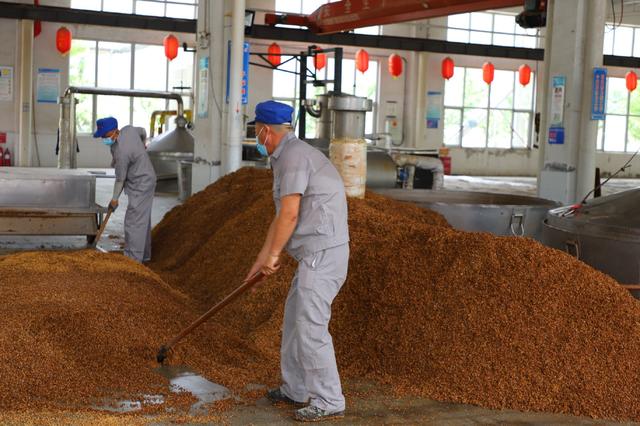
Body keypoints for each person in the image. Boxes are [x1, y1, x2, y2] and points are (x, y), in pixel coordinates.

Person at [245, 101, 350, 422]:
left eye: (256, 131)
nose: (256, 137)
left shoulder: (293, 158)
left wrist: (274, 256)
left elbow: (290, 214)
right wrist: (262, 259)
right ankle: (296, 388)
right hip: (314, 254)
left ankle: (329, 399)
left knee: (310, 326)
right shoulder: (287, 156)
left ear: (265, 130)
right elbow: (281, 217)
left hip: (323, 254)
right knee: (294, 320)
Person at [93, 117, 156, 263]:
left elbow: (120, 179)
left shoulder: (122, 151)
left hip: (140, 184)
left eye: (105, 135)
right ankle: (145, 256)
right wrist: (142, 145)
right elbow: (142, 131)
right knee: (142, 220)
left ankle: (132, 261)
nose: (103, 139)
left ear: (114, 132)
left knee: (134, 222)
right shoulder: (129, 130)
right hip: (147, 178)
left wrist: (114, 199)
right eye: (101, 136)